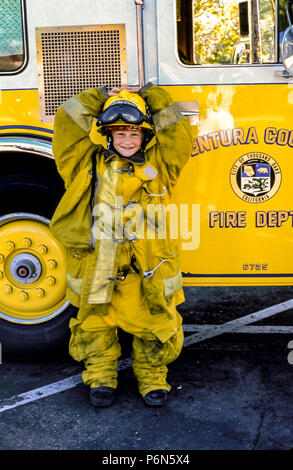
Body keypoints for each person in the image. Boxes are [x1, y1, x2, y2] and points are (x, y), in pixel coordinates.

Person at [50, 82, 193, 408]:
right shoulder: (86, 165)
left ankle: (152, 378)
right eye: (119, 134)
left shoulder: (162, 166)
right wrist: (100, 96)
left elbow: (178, 136)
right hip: (100, 264)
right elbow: (68, 125)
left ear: (145, 136)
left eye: (134, 134)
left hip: (148, 266)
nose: (127, 140)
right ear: (108, 136)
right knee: (95, 322)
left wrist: (151, 96)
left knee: (154, 321)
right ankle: (101, 376)